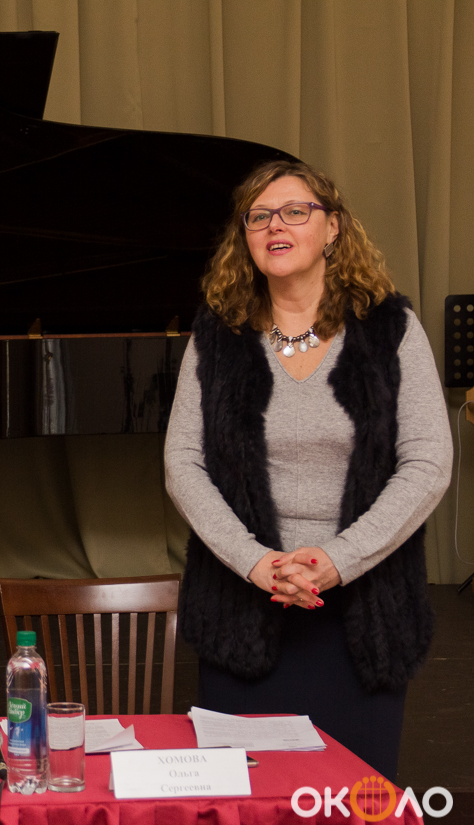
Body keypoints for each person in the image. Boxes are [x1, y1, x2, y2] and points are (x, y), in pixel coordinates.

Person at [165, 160, 451, 780]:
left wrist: (338, 559)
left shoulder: (391, 331)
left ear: (333, 228)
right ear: (244, 236)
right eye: (259, 216)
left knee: (353, 806)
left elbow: (429, 462)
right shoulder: (216, 335)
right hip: (242, 611)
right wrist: (256, 562)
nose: (276, 225)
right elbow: (182, 464)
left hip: (363, 616)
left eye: (295, 211)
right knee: (246, 808)